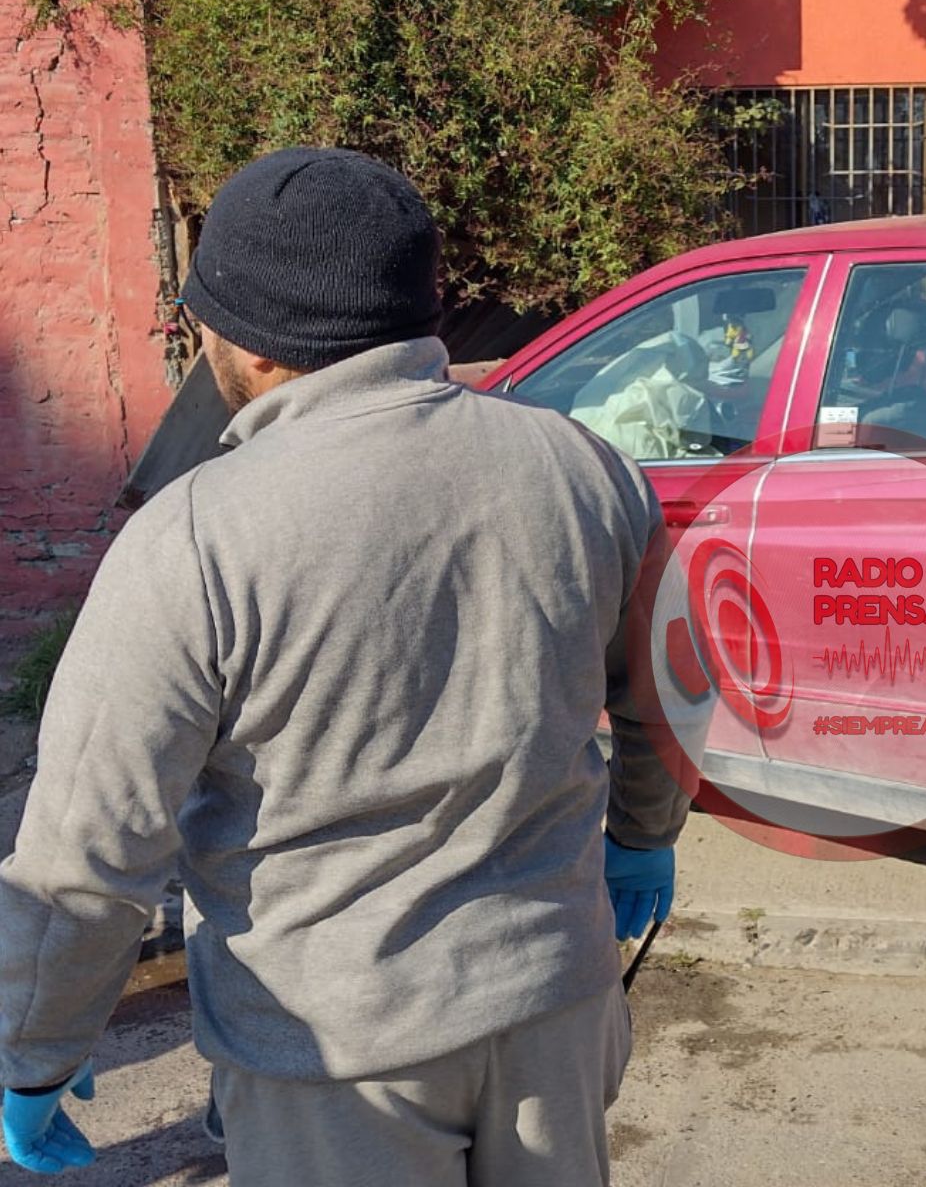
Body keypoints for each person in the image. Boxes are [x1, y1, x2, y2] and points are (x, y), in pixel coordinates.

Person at [0, 147, 687, 1185]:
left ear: (254, 347)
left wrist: (33, 1051)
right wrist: (645, 834)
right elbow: (667, 698)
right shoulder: (585, 467)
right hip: (558, 1002)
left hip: (335, 1053)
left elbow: (89, 847)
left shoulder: (197, 535)